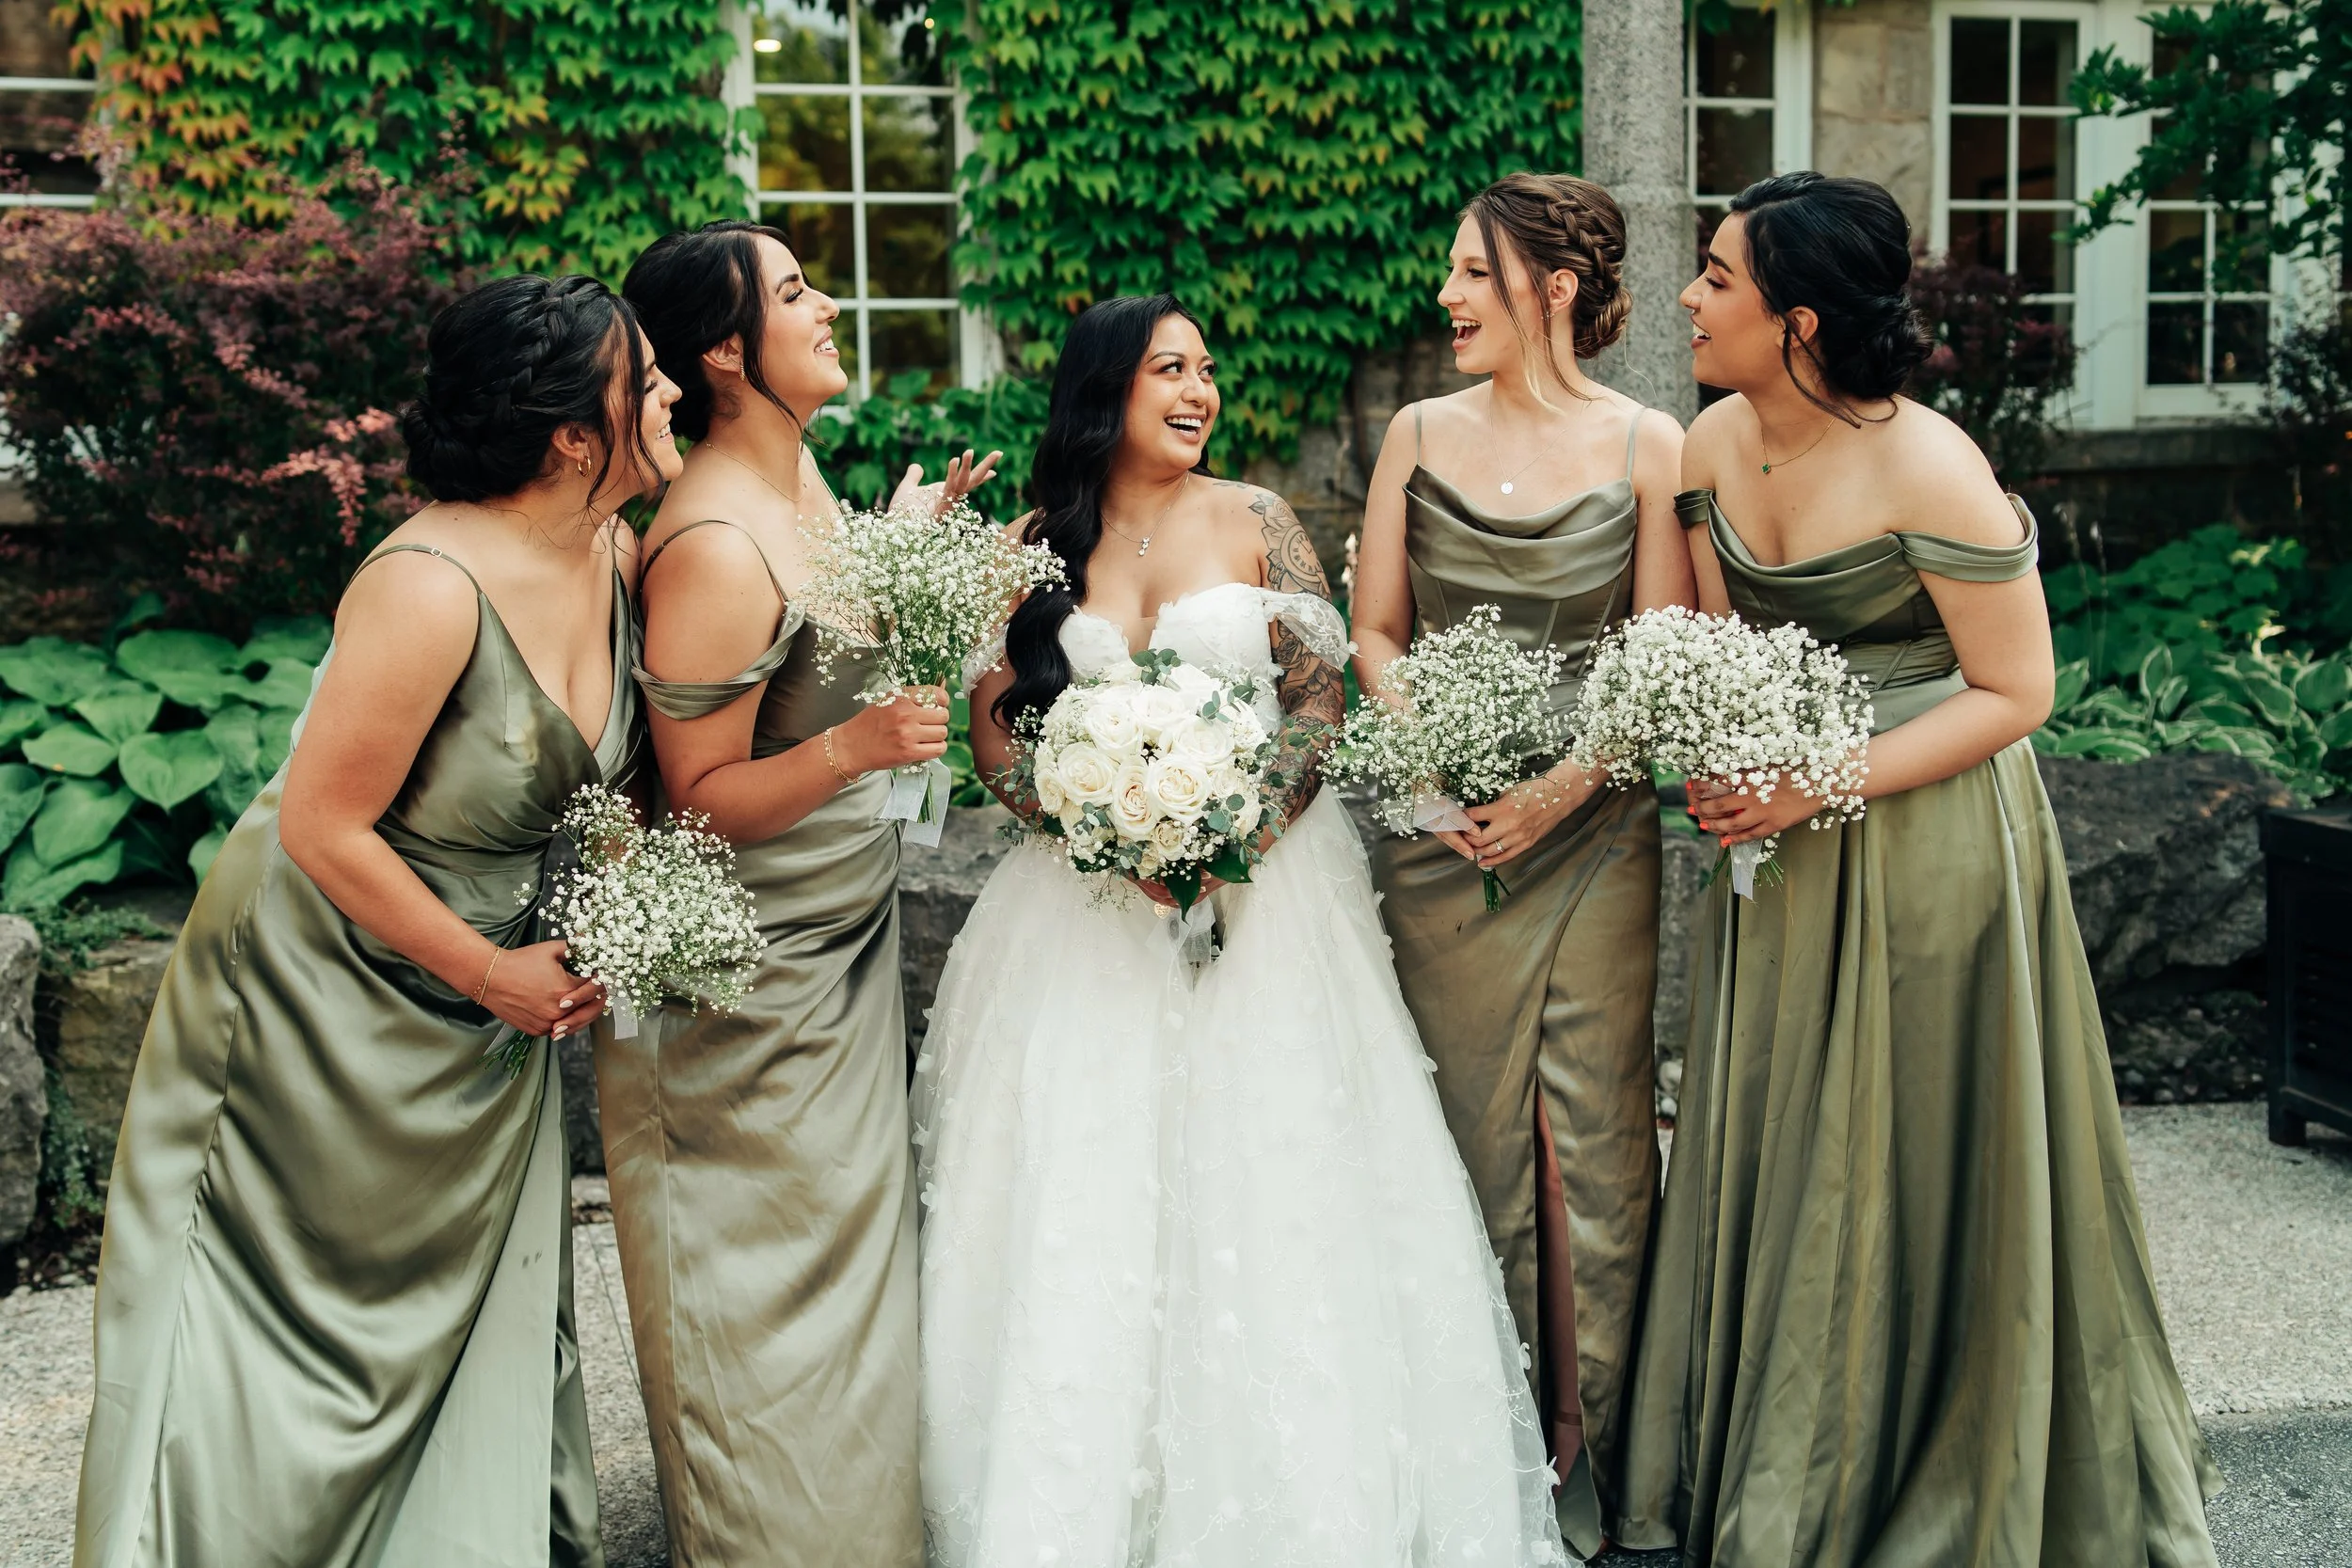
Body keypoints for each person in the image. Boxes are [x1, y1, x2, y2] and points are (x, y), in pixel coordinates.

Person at [1615, 172, 2220, 1567]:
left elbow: (2019, 689)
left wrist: (1807, 780)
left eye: (1718, 278)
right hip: (1780, 852)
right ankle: (1792, 1446)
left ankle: (1935, 1451)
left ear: (1802, 318)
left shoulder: (1929, 461)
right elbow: (1723, 652)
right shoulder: (1708, 441)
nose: (1694, 301)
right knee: (1796, 1132)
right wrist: (1723, 765)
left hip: (1934, 836)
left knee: (1918, 1140)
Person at [915, 293, 1569, 1567]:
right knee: (1082, 1196)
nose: (1200, 389)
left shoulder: (1259, 519)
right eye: (1170, 368)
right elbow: (997, 733)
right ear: (1107, 388)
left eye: (1207, 367)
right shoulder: (1038, 545)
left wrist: (1243, 834)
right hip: (1088, 917)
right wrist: (1093, 828)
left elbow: (1318, 701)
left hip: (1271, 907)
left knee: (1284, 1189)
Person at [73, 273, 673, 1568]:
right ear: (575, 432)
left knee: (470, 1288)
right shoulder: (427, 582)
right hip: (316, 985)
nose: (673, 391)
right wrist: (491, 971)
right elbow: (322, 826)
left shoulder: (611, 551)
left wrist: (638, 913)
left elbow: (599, 780)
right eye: (646, 378)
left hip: (487, 987)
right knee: (292, 1316)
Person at [610, 220, 993, 1568]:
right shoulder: (708, 539)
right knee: (764, 1299)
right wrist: (858, 746)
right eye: (792, 293)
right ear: (724, 352)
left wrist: (904, 544)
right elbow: (696, 791)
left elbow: (808, 651)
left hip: (840, 944)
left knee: (851, 1291)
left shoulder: (803, 476)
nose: (826, 303)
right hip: (745, 990)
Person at [1351, 172, 1692, 1553]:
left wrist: (1557, 790)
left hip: (1596, 832)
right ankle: (1475, 1433)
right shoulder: (1415, 433)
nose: (1446, 297)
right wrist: (1430, 755)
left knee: (1595, 1141)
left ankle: (1597, 1437)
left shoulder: (1648, 442)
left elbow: (1657, 654)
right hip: (1445, 844)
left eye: (1472, 274)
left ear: (1554, 287)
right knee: (1463, 1135)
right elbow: (1371, 627)